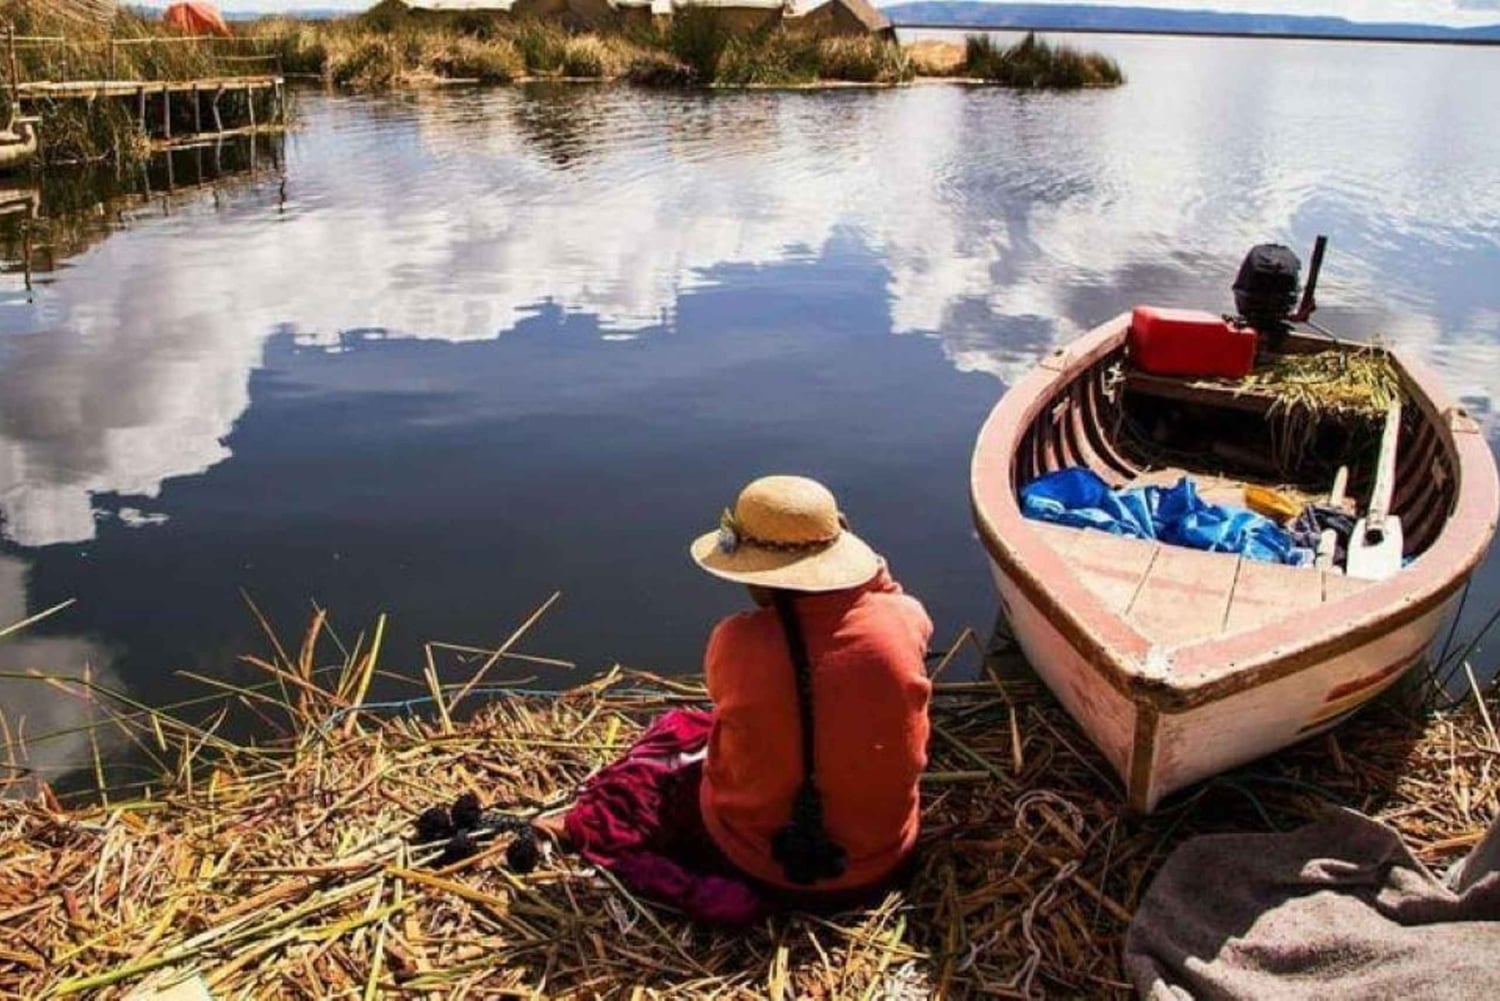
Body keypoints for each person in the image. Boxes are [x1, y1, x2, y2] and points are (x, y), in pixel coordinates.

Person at [537, 474, 933, 924]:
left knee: (674, 747)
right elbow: (885, 601)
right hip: (882, 863)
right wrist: (862, 564)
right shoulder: (904, 618)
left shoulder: (736, 640)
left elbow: (739, 706)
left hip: (757, 866)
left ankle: (571, 824)